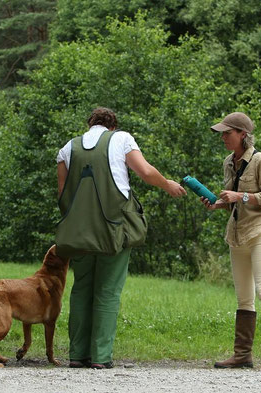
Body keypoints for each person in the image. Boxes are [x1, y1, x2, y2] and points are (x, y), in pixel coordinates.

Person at [56, 107, 186, 369]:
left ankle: (77, 356)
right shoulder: (122, 139)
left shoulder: (67, 149)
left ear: (90, 124)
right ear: (112, 126)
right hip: (113, 231)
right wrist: (168, 184)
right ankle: (101, 358)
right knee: (107, 291)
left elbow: (63, 197)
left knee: (81, 289)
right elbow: (146, 173)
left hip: (78, 234)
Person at [200, 112, 261, 371]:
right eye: (222, 133)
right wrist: (218, 203)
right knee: (243, 297)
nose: (223, 137)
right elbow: (232, 202)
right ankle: (242, 355)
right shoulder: (228, 162)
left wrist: (239, 196)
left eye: (227, 133)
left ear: (243, 134)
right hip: (237, 234)